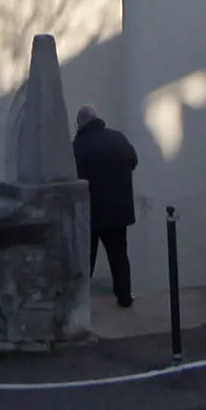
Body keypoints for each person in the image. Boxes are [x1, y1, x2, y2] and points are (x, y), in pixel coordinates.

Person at [71, 105, 139, 307]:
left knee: (86, 260)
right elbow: (133, 161)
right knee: (119, 256)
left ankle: (81, 304)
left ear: (80, 124)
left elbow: (73, 177)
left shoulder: (78, 145)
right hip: (119, 211)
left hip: (91, 213)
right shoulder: (118, 138)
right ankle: (124, 298)